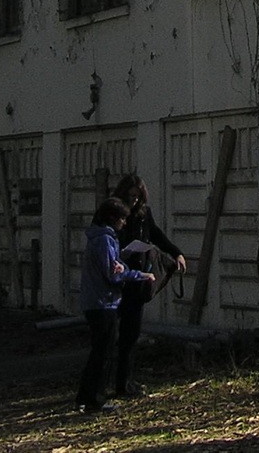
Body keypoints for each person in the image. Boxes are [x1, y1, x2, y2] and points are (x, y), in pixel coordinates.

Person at [111, 173, 187, 398]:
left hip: (139, 277)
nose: (134, 200)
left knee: (131, 333)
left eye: (137, 196)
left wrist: (176, 253)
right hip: (120, 277)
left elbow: (156, 234)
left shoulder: (144, 214)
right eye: (130, 196)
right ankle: (117, 381)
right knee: (117, 334)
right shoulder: (115, 214)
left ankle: (125, 381)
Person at [76, 197, 153, 414]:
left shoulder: (99, 237)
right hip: (103, 302)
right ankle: (95, 400)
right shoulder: (104, 240)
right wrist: (138, 274)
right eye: (122, 219)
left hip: (96, 301)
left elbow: (115, 267)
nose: (124, 223)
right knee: (103, 353)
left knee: (99, 351)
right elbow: (112, 273)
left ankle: (85, 396)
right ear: (112, 218)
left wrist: (121, 267)